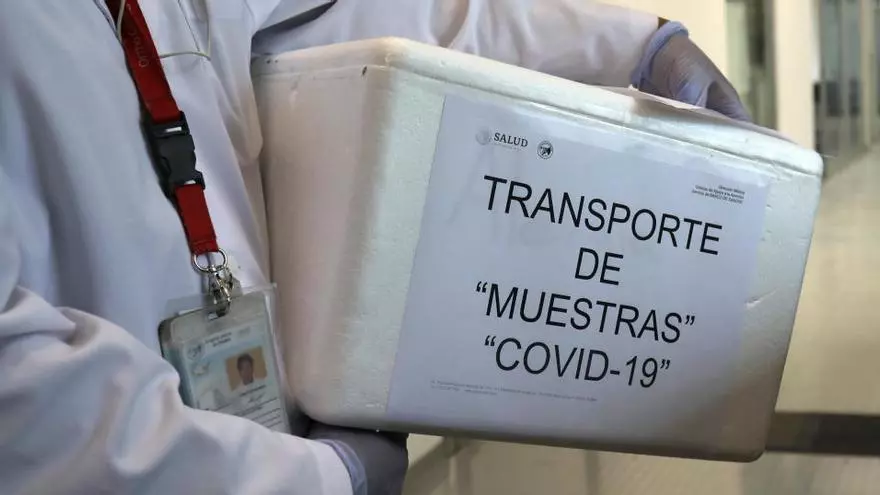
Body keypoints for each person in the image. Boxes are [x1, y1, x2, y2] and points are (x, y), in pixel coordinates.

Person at [0, 1, 747, 494]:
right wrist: (321, 479)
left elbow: (363, 13)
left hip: (257, 416)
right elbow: (25, 407)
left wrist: (630, 47)